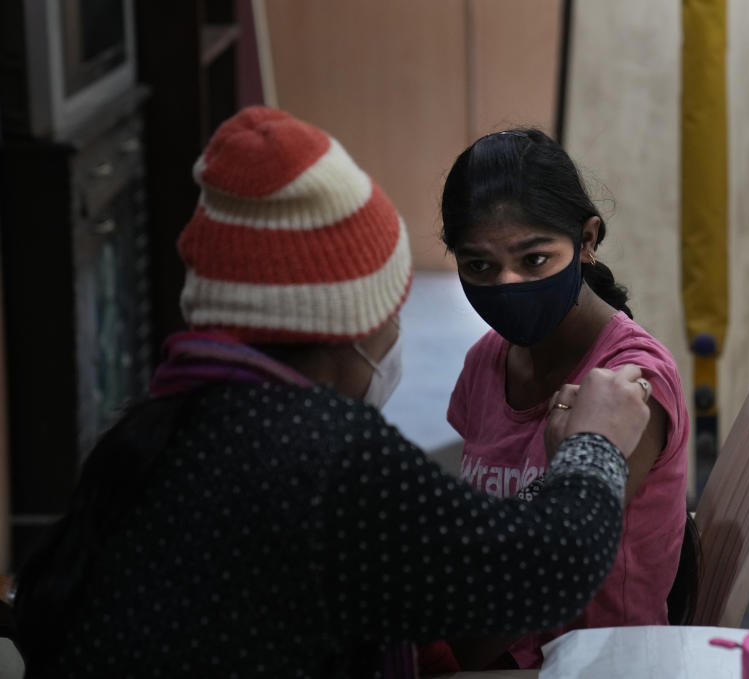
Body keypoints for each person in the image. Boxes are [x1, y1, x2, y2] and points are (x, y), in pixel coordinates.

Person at [12, 107, 656, 679]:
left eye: (534, 260)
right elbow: (544, 569)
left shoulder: (143, 436)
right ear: (347, 325)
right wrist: (594, 443)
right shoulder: (331, 461)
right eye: (389, 311)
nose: (395, 333)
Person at [436, 128, 698, 669]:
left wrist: (440, 634)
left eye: (534, 260)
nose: (507, 285)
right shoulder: (487, 360)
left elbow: (512, 605)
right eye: (479, 266)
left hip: (595, 661)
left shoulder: (629, 386)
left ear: (587, 240)